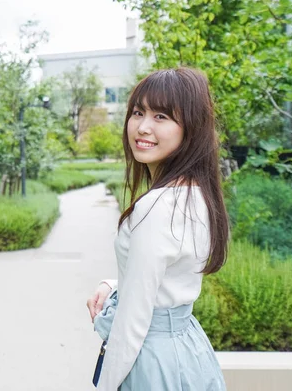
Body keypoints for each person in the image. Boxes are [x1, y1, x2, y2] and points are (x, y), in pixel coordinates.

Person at [86, 68, 229, 391]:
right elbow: (169, 274)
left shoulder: (157, 206)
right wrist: (114, 284)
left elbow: (132, 323)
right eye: (138, 112)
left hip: (150, 360)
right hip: (187, 349)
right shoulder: (195, 193)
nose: (142, 127)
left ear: (190, 128)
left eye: (161, 116)